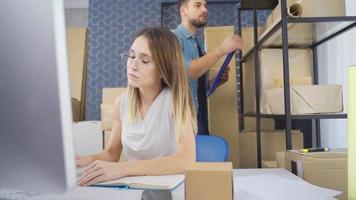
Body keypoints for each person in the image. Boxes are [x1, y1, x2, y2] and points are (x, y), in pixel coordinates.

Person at [76, 27, 197, 186]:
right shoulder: (121, 103)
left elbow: (186, 159)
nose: (133, 65)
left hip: (169, 187)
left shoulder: (174, 101)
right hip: (133, 186)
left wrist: (125, 168)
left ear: (163, 69)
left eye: (144, 60)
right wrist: (85, 159)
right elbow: (112, 153)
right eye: (132, 56)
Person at [173, 0, 243, 134]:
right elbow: (188, 71)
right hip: (181, 123)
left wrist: (214, 82)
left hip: (200, 119)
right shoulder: (172, 38)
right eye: (198, 5)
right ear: (183, 11)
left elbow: (196, 87)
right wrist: (221, 50)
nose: (205, 10)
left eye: (205, 6)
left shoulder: (198, 42)